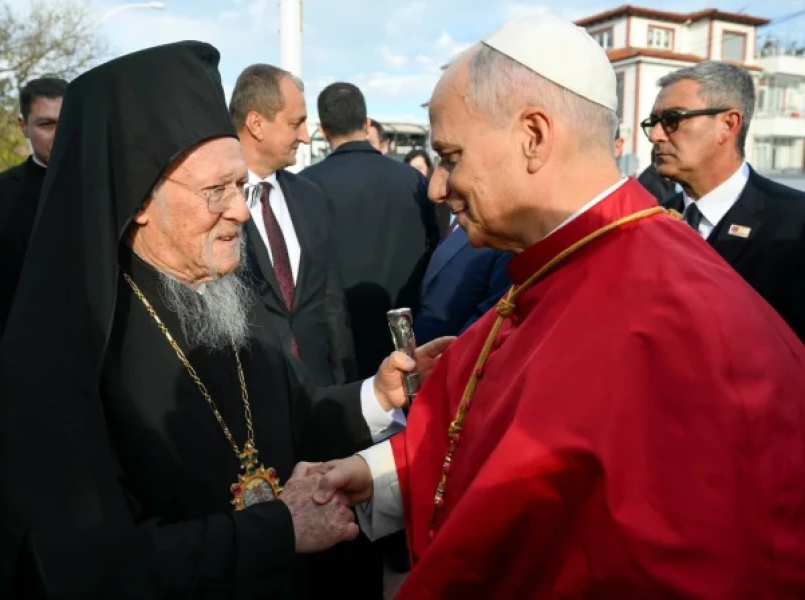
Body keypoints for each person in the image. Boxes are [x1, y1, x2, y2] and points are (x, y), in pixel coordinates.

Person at [306, 15, 805, 599]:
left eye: (451, 155)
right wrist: (372, 475)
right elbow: (486, 439)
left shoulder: (671, 314)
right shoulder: (556, 264)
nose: (437, 189)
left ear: (534, 137)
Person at [0, 41, 449, 600]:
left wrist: (376, 394)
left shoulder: (226, 293)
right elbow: (94, 565)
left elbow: (294, 416)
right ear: (140, 200)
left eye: (240, 186)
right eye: (215, 191)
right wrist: (275, 528)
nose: (241, 211)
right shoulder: (66, 352)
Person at [647, 61, 805, 341]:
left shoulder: (794, 222)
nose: (656, 136)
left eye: (672, 119)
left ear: (728, 124)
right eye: (653, 123)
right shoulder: (649, 222)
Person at [229, 64, 357, 387]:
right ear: (256, 124)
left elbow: (332, 306)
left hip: (320, 393)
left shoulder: (311, 198)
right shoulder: (215, 204)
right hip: (250, 399)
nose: (304, 135)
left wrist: (346, 390)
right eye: (295, 123)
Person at [300, 83, 438, 379]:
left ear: (323, 131)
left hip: (340, 351)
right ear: (365, 124)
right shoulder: (412, 180)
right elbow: (433, 249)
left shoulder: (304, 187)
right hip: (407, 341)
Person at [0, 77, 68, 330]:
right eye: (47, 124)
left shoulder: (112, 188)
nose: (60, 135)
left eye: (68, 123)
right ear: (24, 127)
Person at [404, 148, 450, 237]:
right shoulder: (404, 196)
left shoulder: (438, 196)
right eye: (411, 168)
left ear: (428, 169)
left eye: (419, 168)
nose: (415, 172)